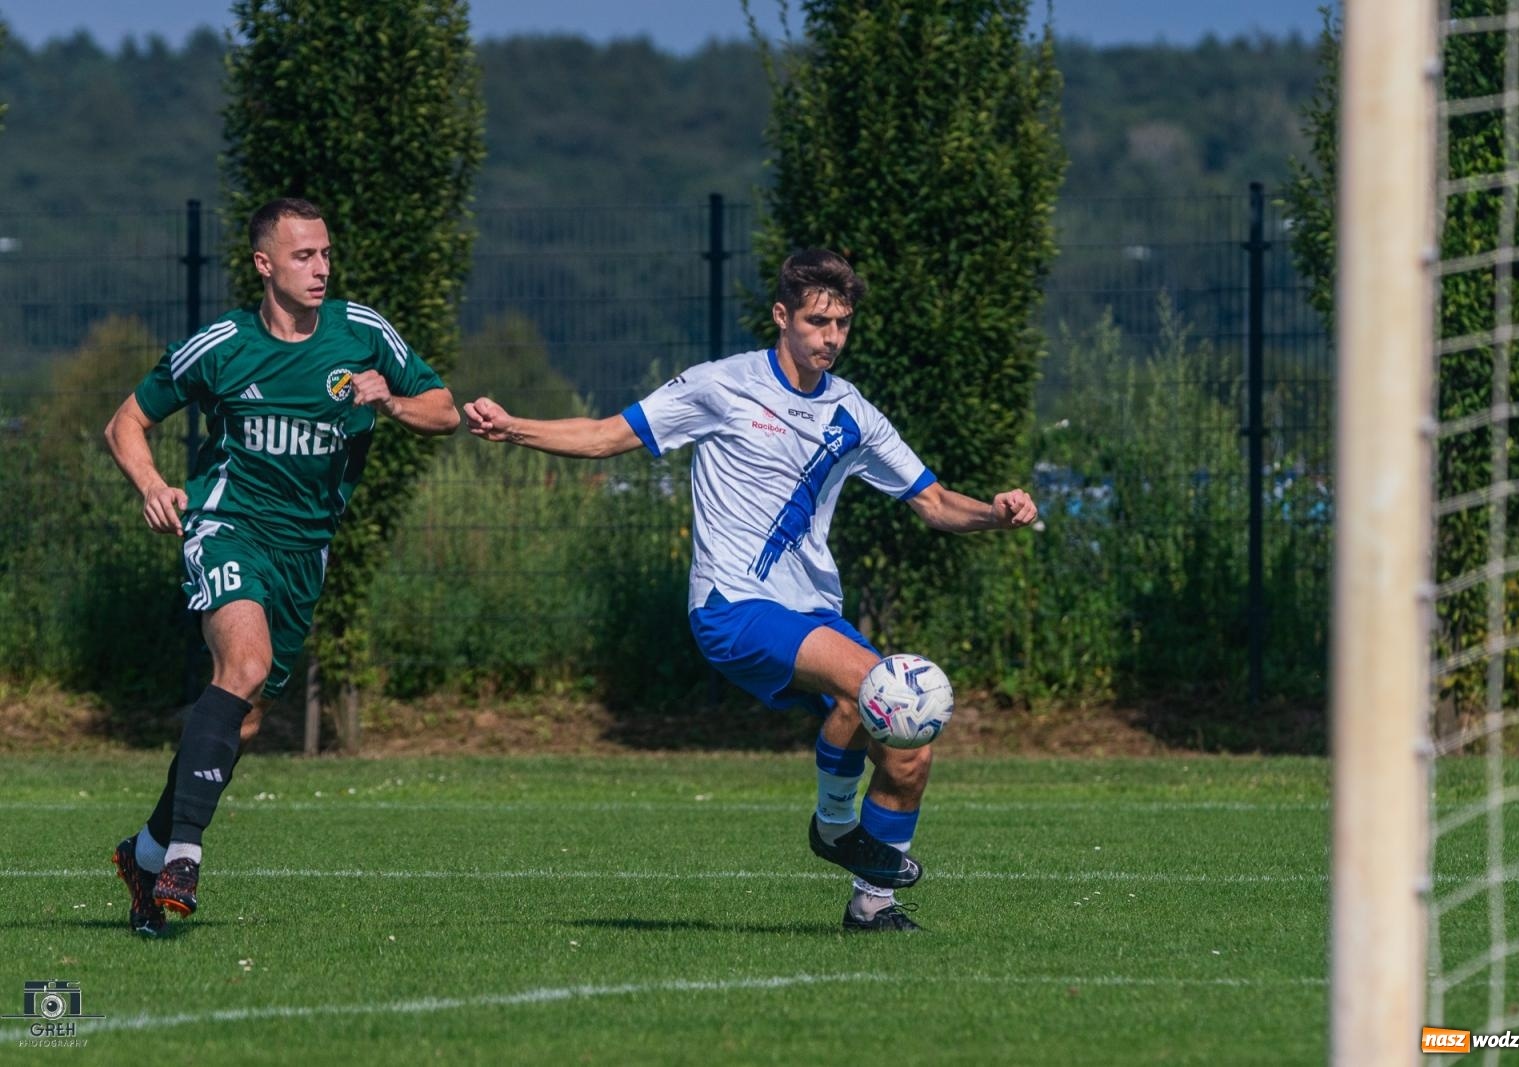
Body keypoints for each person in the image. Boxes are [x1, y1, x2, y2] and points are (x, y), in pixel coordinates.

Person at [464, 248, 1037, 932]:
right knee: (879, 687)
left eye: (843, 324)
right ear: (782, 316)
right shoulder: (721, 386)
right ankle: (833, 827)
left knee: (909, 745)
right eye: (818, 321)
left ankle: (872, 906)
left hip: (811, 612)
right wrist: (514, 428)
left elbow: (935, 502)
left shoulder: (853, 413)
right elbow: (606, 435)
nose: (831, 337)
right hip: (732, 607)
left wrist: (994, 513)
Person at [103, 197, 460, 935]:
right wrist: (154, 486)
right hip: (227, 525)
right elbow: (125, 421)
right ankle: (185, 855)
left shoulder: (362, 333)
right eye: (304, 255)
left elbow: (445, 409)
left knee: (247, 716)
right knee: (245, 664)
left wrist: (392, 401)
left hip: (305, 550)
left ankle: (146, 852)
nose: (321, 267)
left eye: (325, 253)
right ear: (265, 264)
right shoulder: (222, 345)